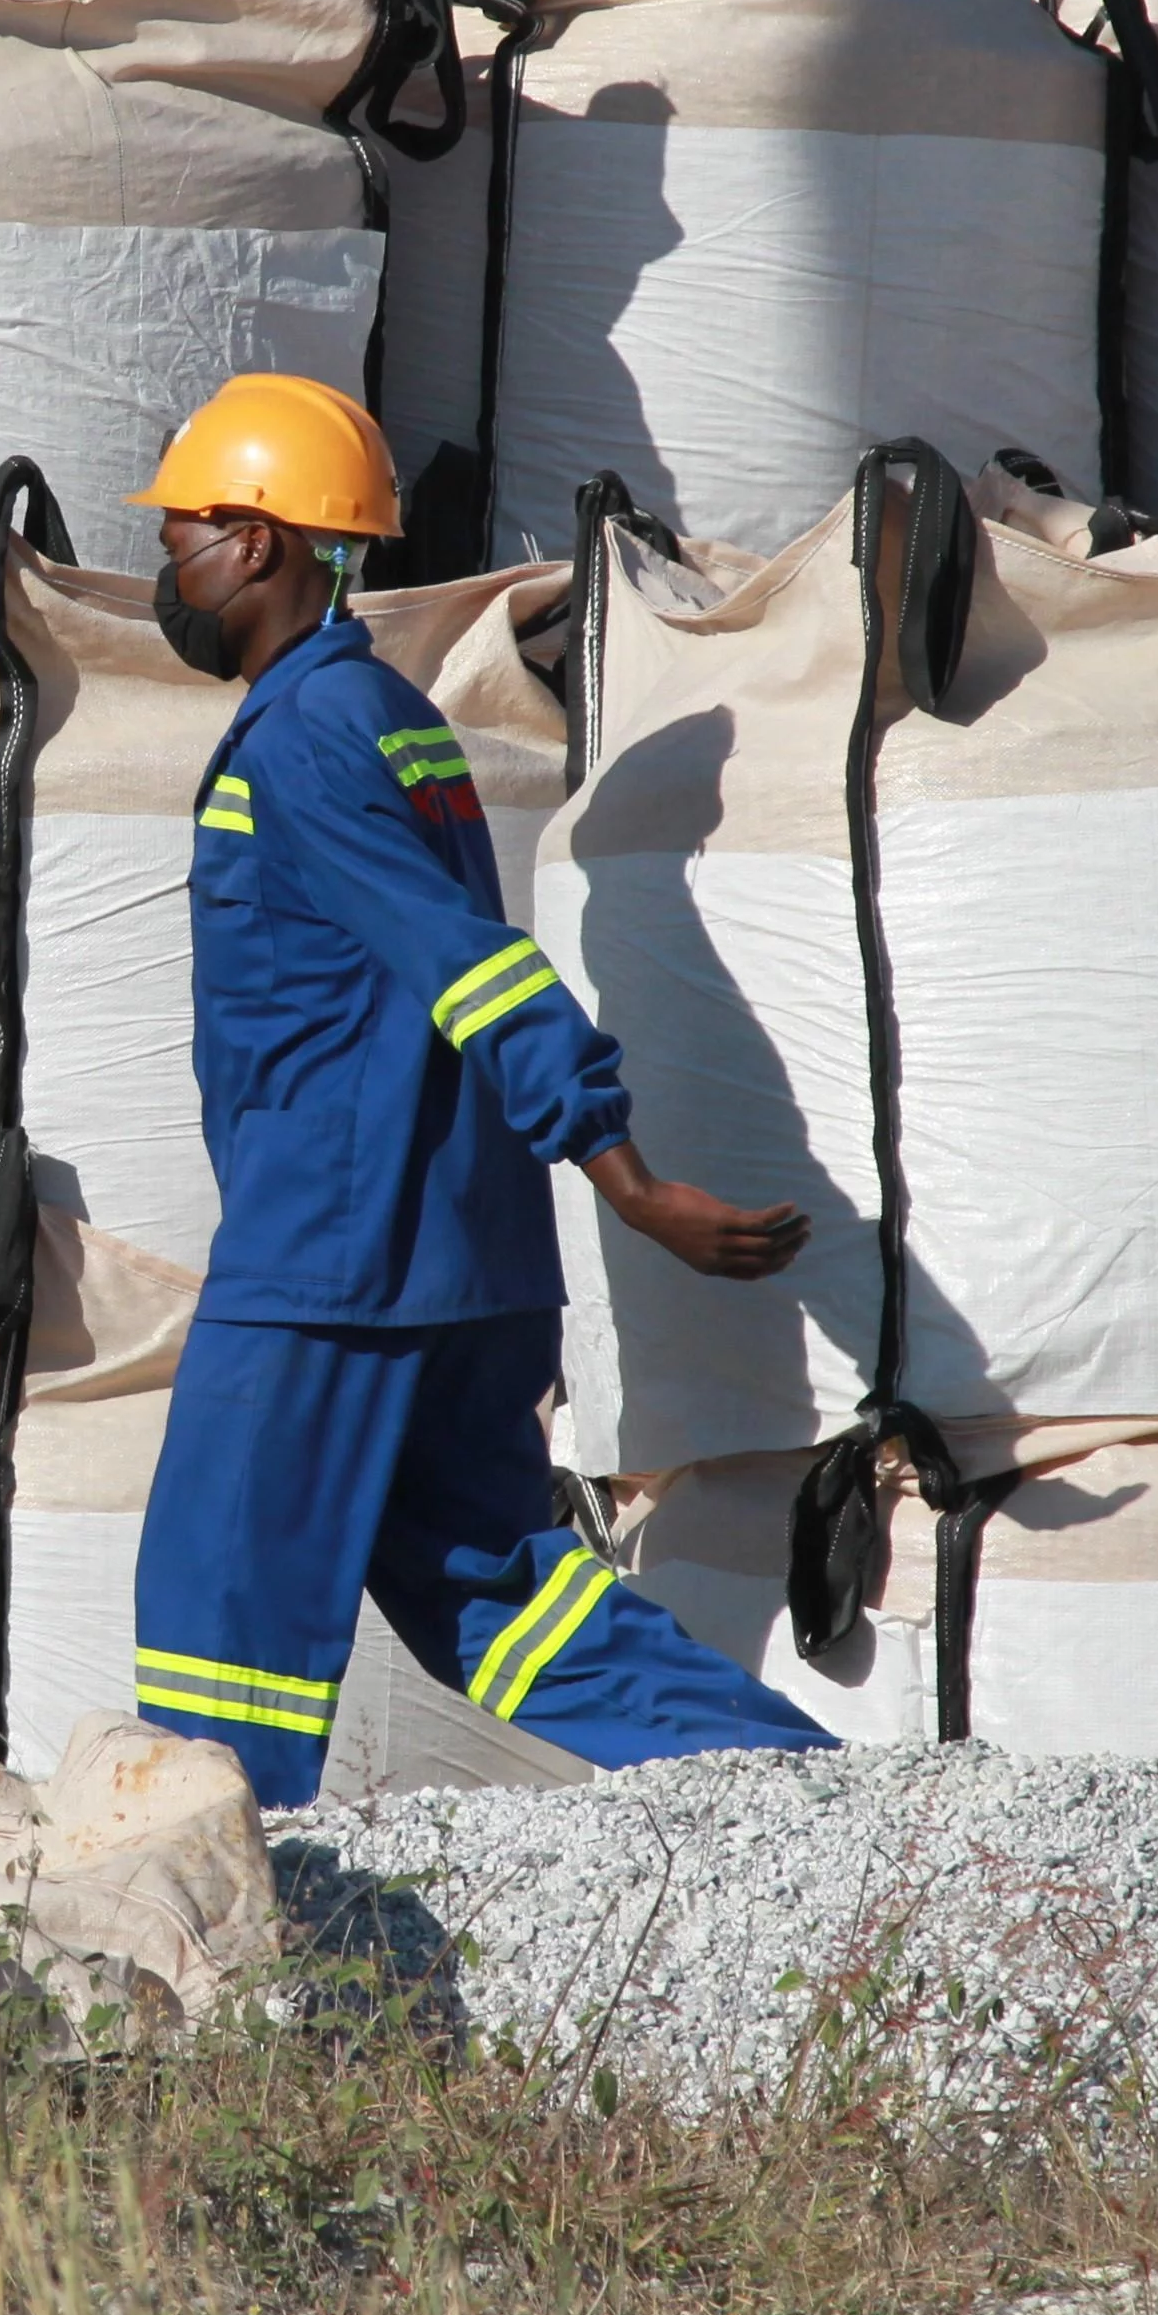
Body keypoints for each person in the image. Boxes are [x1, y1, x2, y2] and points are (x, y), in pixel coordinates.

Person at [123, 373, 834, 1800]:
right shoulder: (386, 714)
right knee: (504, 1602)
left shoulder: (311, 734)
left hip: (337, 1257)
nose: (170, 572)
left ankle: (212, 1943)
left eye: (184, 536)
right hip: (457, 1262)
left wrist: (621, 1174)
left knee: (220, 1609)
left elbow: (467, 964)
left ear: (258, 542)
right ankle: (823, 1804)